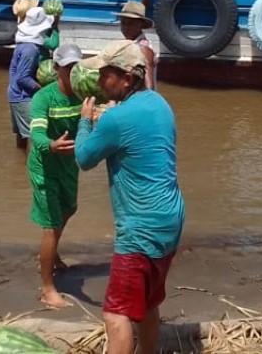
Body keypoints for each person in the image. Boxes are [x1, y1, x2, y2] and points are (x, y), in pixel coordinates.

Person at [60, 40, 183, 354]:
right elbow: (135, 134)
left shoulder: (116, 119)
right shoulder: (159, 103)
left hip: (139, 229)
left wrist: (85, 119)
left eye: (106, 74)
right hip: (169, 220)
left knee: (117, 312)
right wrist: (106, 119)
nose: (100, 80)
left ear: (128, 78)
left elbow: (84, 158)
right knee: (148, 301)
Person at [27, 43, 85, 309]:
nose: (72, 72)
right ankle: (47, 289)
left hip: (68, 165)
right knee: (50, 226)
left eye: (77, 67)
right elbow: (36, 133)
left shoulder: (84, 95)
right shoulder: (44, 98)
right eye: (68, 67)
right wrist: (50, 144)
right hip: (45, 166)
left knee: (69, 209)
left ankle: (51, 255)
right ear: (56, 68)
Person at [7, 0, 52, 150]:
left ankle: (19, 165)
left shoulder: (23, 43)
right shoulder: (31, 49)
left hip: (14, 94)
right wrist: (42, 90)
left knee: (21, 134)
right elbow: (22, 78)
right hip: (22, 96)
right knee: (34, 136)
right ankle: (30, 170)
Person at [116, 0, 158, 90]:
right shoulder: (128, 44)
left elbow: (149, 84)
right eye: (123, 23)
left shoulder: (143, 48)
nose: (126, 28)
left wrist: (149, 99)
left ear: (141, 24)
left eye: (131, 24)